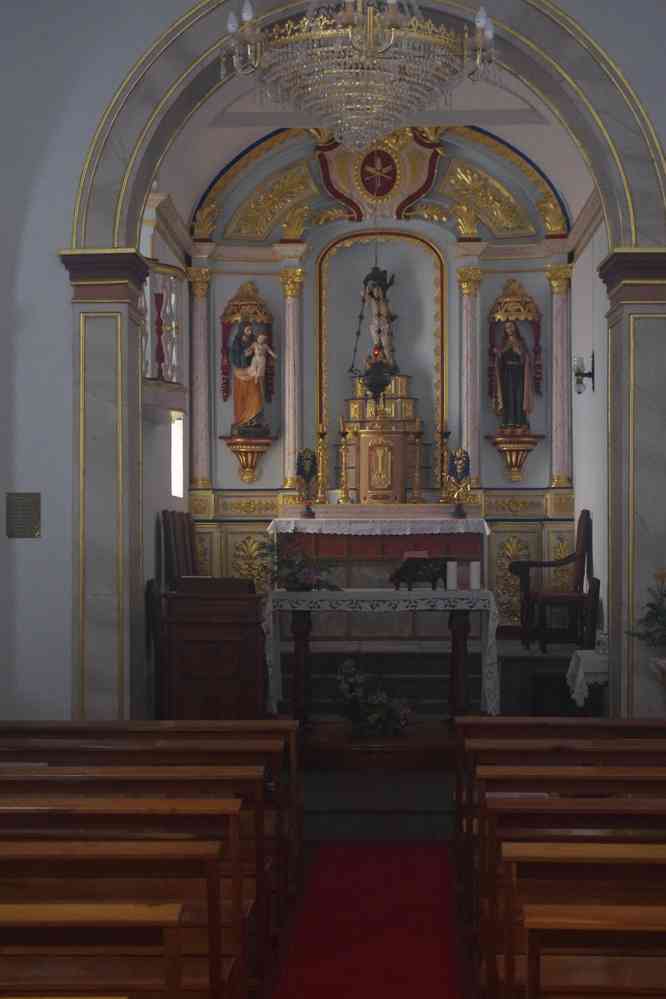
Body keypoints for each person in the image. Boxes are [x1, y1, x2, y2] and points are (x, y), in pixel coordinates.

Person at [493, 320, 534, 428]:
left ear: (515, 327)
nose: (509, 329)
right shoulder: (503, 343)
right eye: (507, 327)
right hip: (507, 373)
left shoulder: (521, 342)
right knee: (508, 396)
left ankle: (521, 421)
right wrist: (498, 355)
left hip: (519, 372)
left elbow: (527, 358)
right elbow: (500, 361)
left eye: (511, 326)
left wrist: (519, 352)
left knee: (519, 396)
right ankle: (508, 421)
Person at [230, 323, 265, 432]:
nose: (250, 332)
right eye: (248, 330)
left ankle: (254, 420)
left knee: (256, 395)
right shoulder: (236, 343)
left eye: (251, 330)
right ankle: (242, 421)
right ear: (242, 330)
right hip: (241, 373)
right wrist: (244, 355)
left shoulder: (254, 340)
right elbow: (233, 357)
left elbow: (261, 352)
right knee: (242, 397)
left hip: (252, 372)